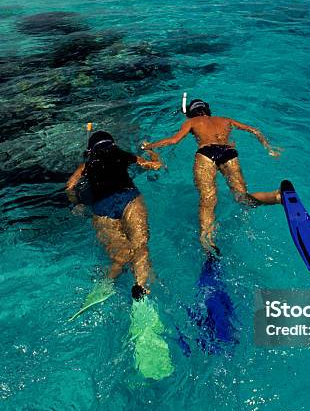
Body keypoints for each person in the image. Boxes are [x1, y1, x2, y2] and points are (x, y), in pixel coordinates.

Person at [142, 99, 282, 252]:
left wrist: (148, 146)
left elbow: (174, 140)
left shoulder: (192, 121)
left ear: (191, 113)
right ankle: (276, 197)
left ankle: (208, 241)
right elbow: (254, 130)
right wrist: (269, 148)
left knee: (208, 199)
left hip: (206, 153)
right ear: (207, 110)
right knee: (242, 197)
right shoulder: (225, 119)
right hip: (229, 152)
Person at [66, 130, 162, 300]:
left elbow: (70, 186)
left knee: (122, 255)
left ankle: (108, 280)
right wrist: (152, 152)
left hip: (102, 206)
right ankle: (141, 286)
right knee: (140, 246)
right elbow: (154, 166)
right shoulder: (122, 154)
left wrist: (77, 203)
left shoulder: (87, 164)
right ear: (113, 144)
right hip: (130, 199)